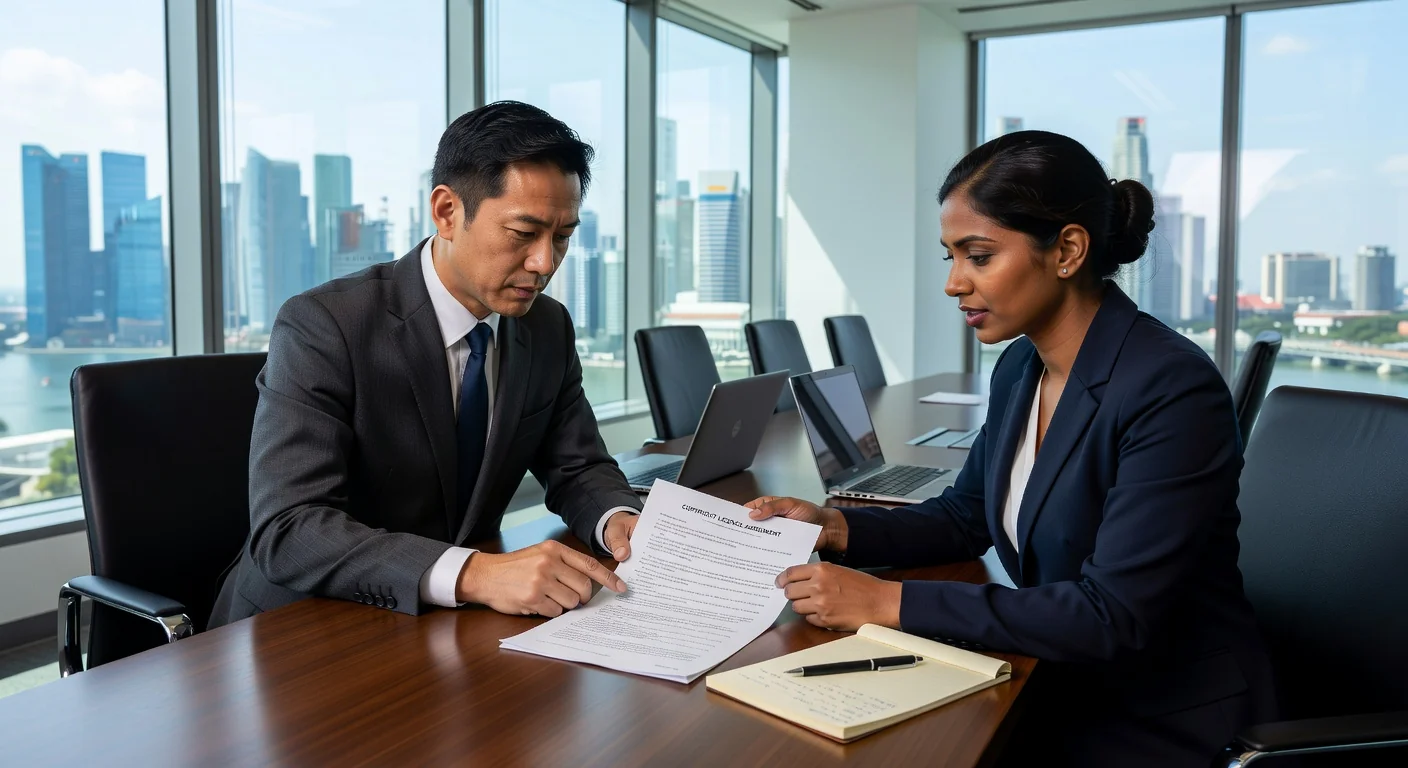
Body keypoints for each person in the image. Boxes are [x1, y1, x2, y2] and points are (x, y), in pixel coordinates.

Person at [746, 131, 1276, 766]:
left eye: (978, 256)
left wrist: (886, 601)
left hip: (1160, 715)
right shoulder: (1023, 366)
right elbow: (966, 514)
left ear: (1068, 250)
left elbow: (1112, 614)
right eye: (951, 257)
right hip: (1057, 676)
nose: (954, 283)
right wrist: (833, 527)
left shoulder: (1170, 386)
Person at [212, 102, 641, 626]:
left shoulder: (546, 327)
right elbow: (290, 529)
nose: (544, 262)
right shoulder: (326, 325)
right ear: (447, 212)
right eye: (523, 233)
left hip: (446, 625)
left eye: (563, 236)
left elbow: (577, 466)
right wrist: (475, 573)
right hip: (302, 626)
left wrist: (619, 520)